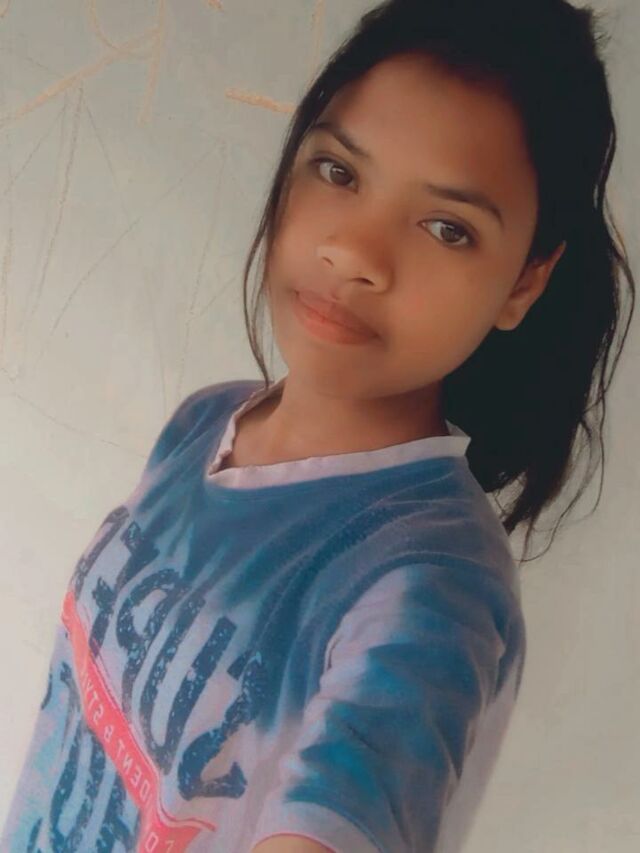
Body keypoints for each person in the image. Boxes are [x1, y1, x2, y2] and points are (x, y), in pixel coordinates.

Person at [2, 0, 635, 851]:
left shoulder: (433, 585)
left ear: (525, 281)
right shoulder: (204, 422)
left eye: (447, 228)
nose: (356, 252)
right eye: (338, 171)